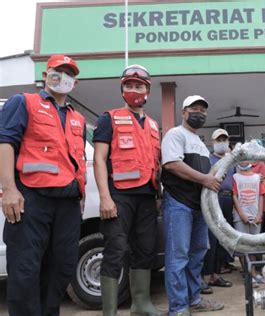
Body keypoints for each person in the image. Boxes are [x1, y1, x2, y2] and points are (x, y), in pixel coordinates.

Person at [0, 55, 86, 315]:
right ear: (45, 74)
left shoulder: (77, 118)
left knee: (61, 268)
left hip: (68, 204)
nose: (62, 77)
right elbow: (6, 143)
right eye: (57, 71)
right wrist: (9, 190)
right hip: (32, 200)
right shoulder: (24, 102)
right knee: (26, 270)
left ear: (75, 82)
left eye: (68, 73)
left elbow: (76, 159)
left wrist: (81, 195)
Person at [93, 65, 164, 316]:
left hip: (147, 197)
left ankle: (141, 304)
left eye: (139, 86)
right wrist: (104, 197)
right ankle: (109, 311)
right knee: (116, 249)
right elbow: (99, 159)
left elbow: (156, 163)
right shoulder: (108, 118)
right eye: (129, 85)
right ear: (122, 89)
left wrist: (157, 196)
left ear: (148, 91)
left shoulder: (154, 125)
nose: (134, 90)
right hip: (119, 196)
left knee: (145, 249)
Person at [161, 95, 224, 316]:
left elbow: (209, 175)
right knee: (178, 256)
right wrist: (206, 179)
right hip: (179, 203)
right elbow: (172, 165)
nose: (199, 113)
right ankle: (178, 307)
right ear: (183, 112)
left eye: (203, 110)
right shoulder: (175, 134)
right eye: (194, 108)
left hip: (200, 208)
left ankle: (194, 299)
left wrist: (213, 179)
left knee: (197, 253)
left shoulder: (200, 143)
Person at [201, 129, 233, 293]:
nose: (222, 142)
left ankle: (215, 274)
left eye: (224, 139)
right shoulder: (208, 159)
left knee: (223, 240)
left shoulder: (231, 160)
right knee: (211, 240)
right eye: (218, 139)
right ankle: (204, 277)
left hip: (229, 200)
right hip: (214, 199)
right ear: (213, 142)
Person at [232, 160, 265, 286]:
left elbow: (261, 195)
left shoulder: (257, 178)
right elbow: (234, 195)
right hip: (240, 216)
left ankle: (253, 272)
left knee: (253, 246)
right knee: (243, 246)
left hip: (255, 216)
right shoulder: (235, 177)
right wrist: (241, 214)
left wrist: (259, 214)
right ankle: (248, 274)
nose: (244, 161)